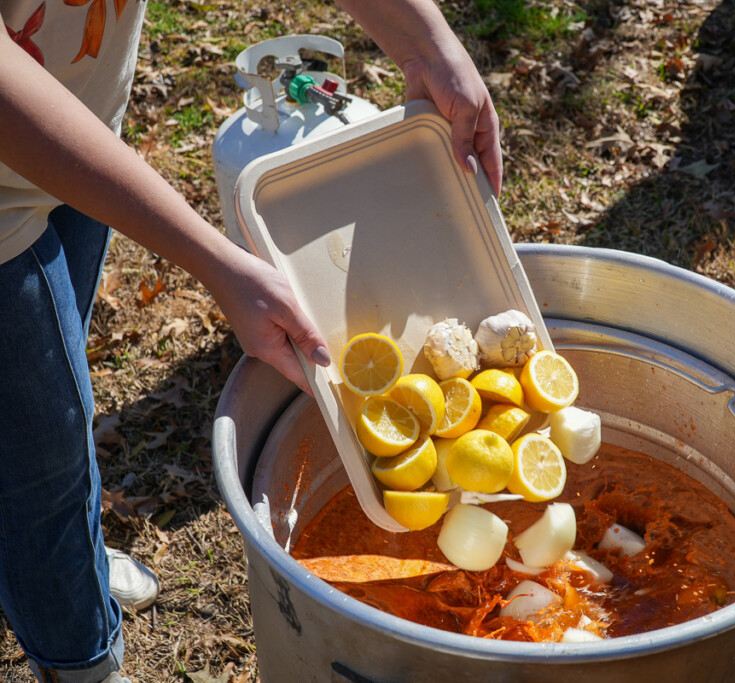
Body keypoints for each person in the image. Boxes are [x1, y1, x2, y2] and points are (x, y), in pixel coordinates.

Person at [0, 0, 502, 680]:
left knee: (49, 398)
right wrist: (214, 261)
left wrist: (427, 45)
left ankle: (62, 561)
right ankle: (77, 655)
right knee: (43, 450)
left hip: (77, 131)